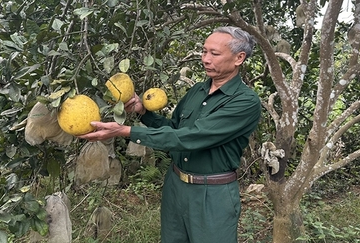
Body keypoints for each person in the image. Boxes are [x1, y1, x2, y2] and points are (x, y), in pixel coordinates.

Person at [80, 26, 262, 243]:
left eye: (214, 53)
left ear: (239, 58)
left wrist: (125, 131)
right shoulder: (197, 90)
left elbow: (192, 137)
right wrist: (143, 113)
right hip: (175, 185)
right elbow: (174, 129)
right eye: (204, 52)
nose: (205, 59)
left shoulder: (245, 102)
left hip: (211, 193)